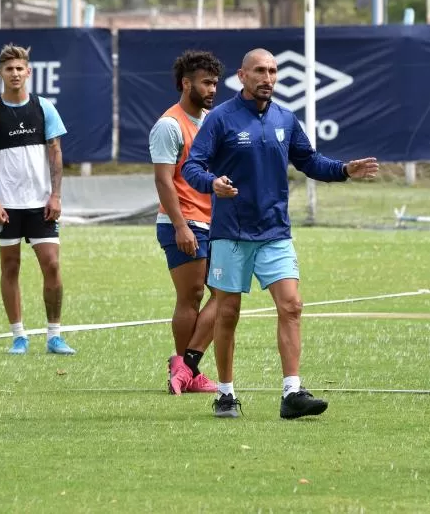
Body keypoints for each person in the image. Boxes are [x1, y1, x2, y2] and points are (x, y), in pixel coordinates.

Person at [182, 48, 379, 419]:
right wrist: (212, 183)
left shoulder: (286, 119)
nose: (267, 78)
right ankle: (226, 393)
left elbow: (310, 161)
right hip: (231, 234)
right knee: (227, 314)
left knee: (292, 305)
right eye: (260, 71)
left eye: (273, 71)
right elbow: (193, 166)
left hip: (275, 232)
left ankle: (292, 393)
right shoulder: (221, 119)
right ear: (242, 76)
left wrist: (344, 170)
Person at [0, 43, 75, 355]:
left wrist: (56, 195)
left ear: (28, 72)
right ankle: (19, 335)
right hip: (7, 206)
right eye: (9, 69)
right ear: (0, 74)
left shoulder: (44, 108)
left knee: (52, 264)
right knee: (10, 267)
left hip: (41, 204)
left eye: (19, 68)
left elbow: (56, 152)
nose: (14, 73)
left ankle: (54, 335)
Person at [149, 50, 222, 395]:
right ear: (185, 83)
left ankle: (185, 367)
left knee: (226, 294)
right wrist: (180, 225)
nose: (212, 89)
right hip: (183, 221)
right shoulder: (169, 125)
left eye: (215, 83)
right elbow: (164, 180)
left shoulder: (211, 120)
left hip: (213, 221)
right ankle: (188, 368)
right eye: (206, 82)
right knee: (191, 296)